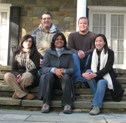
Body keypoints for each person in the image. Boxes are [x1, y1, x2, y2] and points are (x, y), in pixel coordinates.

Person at [82, 34, 124, 115]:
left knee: (101, 82)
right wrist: (83, 73)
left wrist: (95, 74)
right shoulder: (92, 53)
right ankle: (99, 96)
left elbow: (108, 68)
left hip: (105, 77)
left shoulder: (110, 53)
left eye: (100, 41)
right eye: (96, 41)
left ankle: (96, 106)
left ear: (104, 42)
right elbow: (87, 66)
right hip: (93, 79)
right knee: (87, 70)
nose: (98, 43)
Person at [38, 32, 74, 114]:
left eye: (61, 39)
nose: (59, 41)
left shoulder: (69, 53)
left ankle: (67, 104)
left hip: (63, 81)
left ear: (64, 41)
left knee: (66, 76)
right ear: (53, 41)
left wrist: (63, 71)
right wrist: (54, 70)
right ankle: (46, 104)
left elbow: (72, 69)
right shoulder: (48, 52)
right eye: (57, 39)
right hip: (50, 81)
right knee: (48, 75)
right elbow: (43, 68)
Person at [4, 34, 41, 100]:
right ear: (22, 42)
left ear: (32, 43)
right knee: (7, 75)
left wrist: (23, 75)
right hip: (18, 75)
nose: (28, 43)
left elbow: (35, 69)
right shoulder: (16, 53)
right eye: (26, 41)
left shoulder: (36, 54)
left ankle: (17, 94)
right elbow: (13, 69)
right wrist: (17, 75)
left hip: (31, 76)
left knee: (27, 75)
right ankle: (22, 94)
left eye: (30, 41)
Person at [68, 17, 96, 87]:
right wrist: (78, 53)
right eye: (81, 23)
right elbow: (70, 48)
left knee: (91, 55)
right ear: (78, 25)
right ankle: (78, 80)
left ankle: (83, 80)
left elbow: (94, 49)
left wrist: (84, 53)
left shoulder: (93, 36)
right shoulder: (72, 35)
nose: (82, 25)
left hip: (88, 60)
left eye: (85, 23)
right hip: (76, 61)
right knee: (74, 55)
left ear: (88, 25)